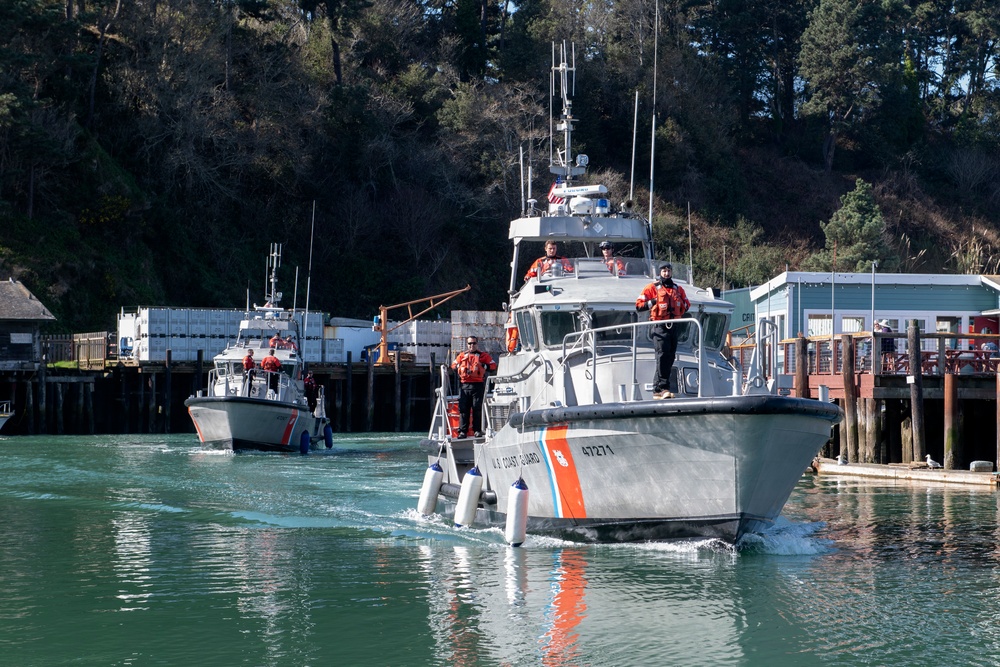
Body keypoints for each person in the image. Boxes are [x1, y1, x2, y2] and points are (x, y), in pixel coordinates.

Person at [636, 262, 690, 398]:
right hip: (660, 326)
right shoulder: (652, 287)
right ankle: (663, 388)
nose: (666, 273)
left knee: (670, 356)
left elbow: (687, 304)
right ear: (660, 272)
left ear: (671, 272)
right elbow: (639, 306)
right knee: (662, 355)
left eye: (668, 270)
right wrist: (654, 302)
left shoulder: (678, 289)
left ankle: (658, 389)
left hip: (674, 326)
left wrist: (680, 303)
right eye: (664, 271)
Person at [450, 336, 497, 438]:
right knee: (463, 409)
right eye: (470, 343)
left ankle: (477, 430)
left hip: (478, 385)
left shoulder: (483, 356)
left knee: (477, 408)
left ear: (477, 344)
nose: (472, 345)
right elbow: (453, 365)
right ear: (467, 344)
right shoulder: (462, 356)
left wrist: (484, 366)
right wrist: (459, 367)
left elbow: (493, 366)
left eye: (474, 343)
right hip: (464, 386)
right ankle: (463, 431)